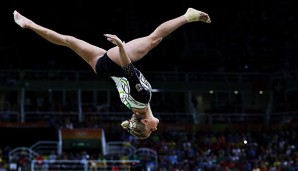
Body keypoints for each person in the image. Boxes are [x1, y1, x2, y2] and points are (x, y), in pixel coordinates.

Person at [13, 8, 211, 139]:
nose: (155, 128)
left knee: (154, 39)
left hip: (116, 62)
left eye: (151, 129)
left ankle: (189, 15)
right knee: (68, 41)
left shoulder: (142, 98)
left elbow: (128, 70)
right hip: (102, 69)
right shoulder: (133, 107)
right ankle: (29, 24)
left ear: (144, 121)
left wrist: (121, 46)